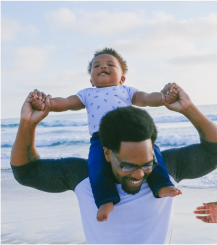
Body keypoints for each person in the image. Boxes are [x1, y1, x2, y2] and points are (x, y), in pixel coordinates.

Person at [11, 83, 217, 244]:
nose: (138, 174)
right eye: (127, 166)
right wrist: (27, 124)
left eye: (147, 164)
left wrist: (188, 108)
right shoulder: (83, 175)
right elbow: (26, 172)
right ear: (107, 154)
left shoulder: (165, 168)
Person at [29, 47, 181, 222]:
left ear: (122, 78)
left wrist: (164, 97)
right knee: (96, 166)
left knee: (153, 153)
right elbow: (66, 103)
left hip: (129, 135)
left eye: (110, 64)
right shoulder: (87, 93)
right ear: (91, 80)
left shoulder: (127, 91)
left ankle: (162, 185)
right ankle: (105, 200)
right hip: (100, 138)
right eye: (97, 66)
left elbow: (147, 98)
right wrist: (46, 103)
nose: (103, 67)